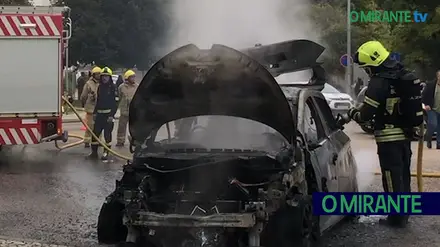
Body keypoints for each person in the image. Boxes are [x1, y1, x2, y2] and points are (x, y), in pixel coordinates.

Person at [344, 41, 423, 228]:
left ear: (373, 64)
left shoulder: (379, 82)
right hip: (404, 136)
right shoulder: (401, 76)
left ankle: (396, 219)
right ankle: (404, 214)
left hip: (388, 139)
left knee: (391, 177)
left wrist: (351, 113)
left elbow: (365, 115)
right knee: (403, 175)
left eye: (366, 68)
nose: (367, 71)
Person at [88, 66, 118, 160]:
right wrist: (95, 113)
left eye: (107, 76)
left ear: (110, 77)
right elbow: (98, 101)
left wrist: (111, 115)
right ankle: (94, 153)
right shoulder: (100, 87)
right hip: (99, 115)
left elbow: (115, 103)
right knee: (95, 134)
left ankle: (106, 153)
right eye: (103, 76)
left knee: (107, 135)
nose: (104, 78)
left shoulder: (113, 87)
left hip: (108, 116)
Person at [116, 70, 138, 147]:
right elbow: (119, 97)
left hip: (134, 111)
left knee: (134, 128)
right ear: (127, 78)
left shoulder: (137, 87)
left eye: (134, 77)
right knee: (121, 127)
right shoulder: (121, 87)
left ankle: (134, 141)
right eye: (131, 77)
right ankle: (120, 141)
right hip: (124, 111)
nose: (133, 78)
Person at [80, 66, 101, 148]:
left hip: (99, 108)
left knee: (99, 126)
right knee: (89, 126)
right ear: (93, 75)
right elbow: (83, 96)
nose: (99, 75)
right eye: (97, 74)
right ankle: (87, 141)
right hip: (91, 108)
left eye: (100, 74)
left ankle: (98, 141)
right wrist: (83, 103)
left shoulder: (102, 83)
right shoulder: (89, 84)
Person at [422, 70, 440, 149]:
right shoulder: (430, 85)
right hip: (432, 109)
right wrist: (426, 105)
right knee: (433, 124)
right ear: (437, 76)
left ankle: (439, 143)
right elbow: (423, 96)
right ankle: (428, 138)